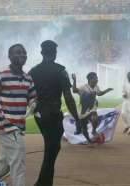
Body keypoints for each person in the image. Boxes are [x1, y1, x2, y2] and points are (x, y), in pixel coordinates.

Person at [0, 44, 36, 186]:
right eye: (18, 53)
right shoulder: (1, 75)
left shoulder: (28, 78)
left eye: (24, 53)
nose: (22, 55)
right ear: (10, 56)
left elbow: (32, 99)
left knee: (1, 168)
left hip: (18, 127)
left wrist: (35, 104)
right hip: (7, 127)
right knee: (18, 167)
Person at [29, 40, 81, 186]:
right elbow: (68, 97)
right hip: (53, 114)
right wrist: (77, 118)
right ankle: (42, 183)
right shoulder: (60, 70)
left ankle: (44, 182)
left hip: (39, 115)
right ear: (55, 53)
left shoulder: (33, 71)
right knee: (52, 149)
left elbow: (27, 92)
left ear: (41, 52)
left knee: (51, 147)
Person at [72, 72, 113, 142]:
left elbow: (99, 93)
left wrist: (107, 90)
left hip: (92, 108)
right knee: (84, 127)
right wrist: (74, 80)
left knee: (95, 118)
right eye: (95, 78)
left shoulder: (96, 87)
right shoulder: (84, 87)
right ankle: (88, 140)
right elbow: (74, 90)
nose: (97, 80)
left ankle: (93, 131)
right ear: (90, 79)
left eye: (97, 78)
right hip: (83, 109)